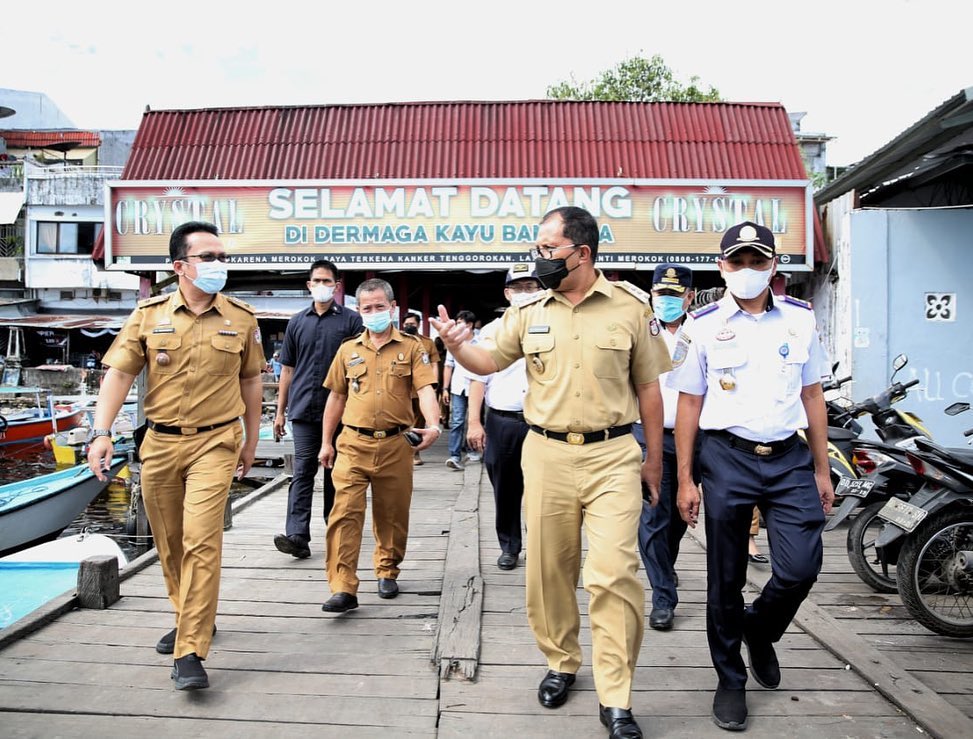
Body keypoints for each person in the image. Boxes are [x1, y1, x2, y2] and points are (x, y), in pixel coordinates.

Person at [432, 206, 671, 739]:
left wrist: (653, 460)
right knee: (549, 571)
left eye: (547, 248)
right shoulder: (528, 310)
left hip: (613, 456)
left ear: (580, 253)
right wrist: (455, 345)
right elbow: (487, 362)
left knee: (613, 574)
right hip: (546, 454)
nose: (538, 257)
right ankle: (561, 660)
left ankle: (616, 695)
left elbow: (651, 388)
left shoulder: (632, 308)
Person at [669, 221, 834, 732]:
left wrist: (823, 469)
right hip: (726, 456)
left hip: (788, 458)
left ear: (773, 267)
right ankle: (730, 680)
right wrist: (684, 479)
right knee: (725, 576)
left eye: (757, 262)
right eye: (736, 262)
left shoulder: (800, 321)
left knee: (800, 569)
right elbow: (689, 403)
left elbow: (812, 397)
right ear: (721, 267)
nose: (746, 271)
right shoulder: (700, 325)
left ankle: (759, 632)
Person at [86, 220, 264, 691]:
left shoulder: (241, 318)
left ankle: (190, 650)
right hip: (160, 443)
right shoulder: (148, 315)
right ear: (179, 266)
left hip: (216, 441)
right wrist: (101, 432)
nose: (218, 265)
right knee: (170, 542)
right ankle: (190, 615)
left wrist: (251, 440)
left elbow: (250, 381)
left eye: (222, 256)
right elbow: (119, 375)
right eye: (208, 257)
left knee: (203, 540)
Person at [318, 278, 441, 613]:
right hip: (353, 444)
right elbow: (337, 396)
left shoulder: (413, 349)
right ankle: (343, 586)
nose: (373, 313)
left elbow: (426, 389)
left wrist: (432, 425)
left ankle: (387, 569)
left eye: (379, 307)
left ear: (392, 308)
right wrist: (326, 442)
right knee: (344, 514)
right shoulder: (348, 350)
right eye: (367, 308)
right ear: (359, 311)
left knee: (392, 514)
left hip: (396, 444)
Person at [272, 260, 364, 559]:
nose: (322, 286)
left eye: (328, 281)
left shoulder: (351, 322)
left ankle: (334, 527)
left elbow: (359, 366)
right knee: (302, 471)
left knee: (336, 472)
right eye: (317, 281)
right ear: (309, 285)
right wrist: (279, 411)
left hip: (341, 410)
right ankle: (296, 535)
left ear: (336, 286)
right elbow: (287, 370)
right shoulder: (297, 322)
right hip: (303, 409)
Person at [635, 263, 699, 632]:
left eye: (675, 295)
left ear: (689, 296)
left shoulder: (704, 330)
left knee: (678, 518)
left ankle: (666, 569)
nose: (667, 301)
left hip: (695, 437)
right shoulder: (640, 330)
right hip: (649, 434)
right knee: (653, 515)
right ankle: (663, 597)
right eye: (662, 294)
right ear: (651, 294)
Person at [466, 262, 541, 571]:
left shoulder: (554, 325)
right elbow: (478, 379)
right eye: (519, 288)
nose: (525, 294)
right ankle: (509, 546)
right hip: (504, 420)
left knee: (546, 489)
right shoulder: (492, 331)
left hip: (542, 422)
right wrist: (474, 421)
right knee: (505, 487)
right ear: (507, 293)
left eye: (531, 287)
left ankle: (541, 546)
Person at [401, 312, 441, 466]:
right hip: (402, 389)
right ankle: (401, 452)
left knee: (419, 421)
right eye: (407, 324)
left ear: (418, 324)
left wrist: (434, 384)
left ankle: (414, 452)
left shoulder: (427, 343)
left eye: (412, 324)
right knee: (402, 420)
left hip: (421, 389)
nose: (409, 326)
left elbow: (434, 364)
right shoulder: (398, 341)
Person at [441, 310, 476, 470]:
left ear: (469, 325)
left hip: (477, 387)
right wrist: (445, 388)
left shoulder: (481, 342)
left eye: (460, 323)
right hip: (458, 387)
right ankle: (454, 455)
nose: (457, 326)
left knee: (475, 420)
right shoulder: (453, 343)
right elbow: (448, 366)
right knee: (457, 421)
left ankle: (473, 449)